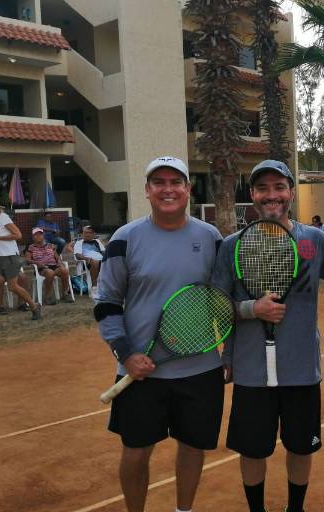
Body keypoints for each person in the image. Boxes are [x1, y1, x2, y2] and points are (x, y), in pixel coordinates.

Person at [94, 156, 224, 512]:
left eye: (176, 182)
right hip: (138, 372)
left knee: (192, 446)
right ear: (148, 191)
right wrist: (126, 354)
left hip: (200, 370)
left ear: (188, 189)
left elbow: (222, 298)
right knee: (136, 453)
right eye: (159, 183)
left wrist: (230, 353)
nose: (168, 189)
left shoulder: (210, 237)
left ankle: (184, 510)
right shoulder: (125, 238)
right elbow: (106, 301)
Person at [212, 159, 324, 512]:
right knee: (253, 449)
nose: (272, 195)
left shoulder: (314, 241)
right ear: (252, 195)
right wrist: (252, 310)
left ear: (291, 193)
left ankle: (295, 508)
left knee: (300, 447)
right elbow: (217, 305)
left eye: (280, 187)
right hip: (252, 371)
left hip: (301, 369)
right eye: (263, 188)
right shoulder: (231, 246)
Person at [0, 197, 41, 328]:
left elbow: (18, 235)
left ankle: (34, 306)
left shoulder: (3, 218)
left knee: (12, 287)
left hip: (9, 256)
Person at [25, 227, 73, 305]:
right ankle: (47, 296)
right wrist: (36, 263)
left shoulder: (51, 245)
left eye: (40, 234)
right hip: (41, 268)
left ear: (43, 235)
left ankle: (65, 294)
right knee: (50, 273)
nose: (38, 236)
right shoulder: (31, 247)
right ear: (33, 237)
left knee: (64, 271)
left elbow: (57, 257)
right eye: (35, 235)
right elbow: (27, 259)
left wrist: (60, 264)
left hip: (54, 266)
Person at [73, 225, 105, 296]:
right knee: (95, 262)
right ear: (82, 234)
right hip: (87, 263)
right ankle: (94, 287)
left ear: (93, 234)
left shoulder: (97, 242)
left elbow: (104, 252)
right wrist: (87, 258)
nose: (88, 234)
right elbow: (77, 255)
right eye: (86, 232)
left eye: (90, 232)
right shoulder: (79, 242)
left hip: (101, 261)